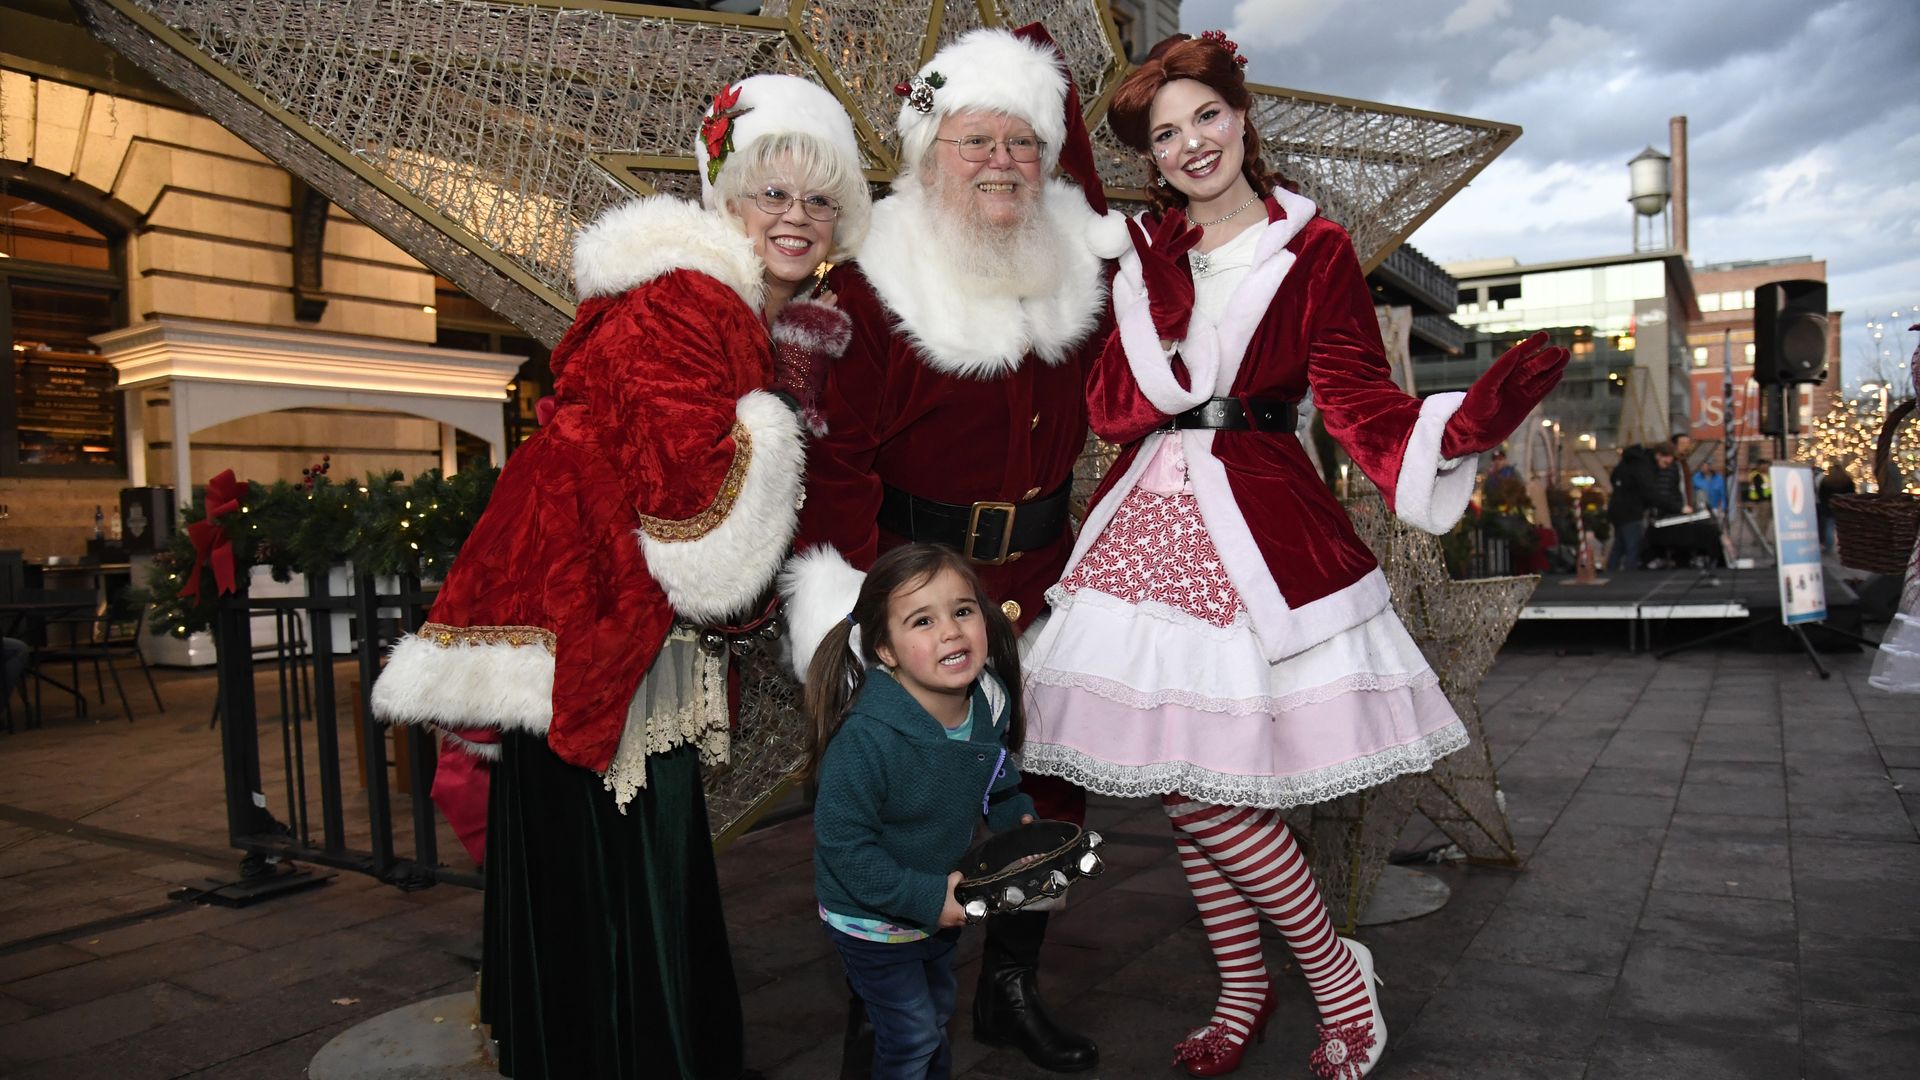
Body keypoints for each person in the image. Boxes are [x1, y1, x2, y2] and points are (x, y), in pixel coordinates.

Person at [1014, 32, 1568, 1079]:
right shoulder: (1138, 257)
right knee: (1195, 776)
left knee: (1212, 785)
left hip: (1261, 523)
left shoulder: (1314, 253)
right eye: (1167, 135)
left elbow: (1361, 402)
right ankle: (1241, 982)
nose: (1190, 145)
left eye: (1205, 117)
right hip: (1147, 522)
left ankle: (1330, 973)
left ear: (1240, 115)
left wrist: (1460, 427)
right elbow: (1103, 383)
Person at [371, 74, 870, 1079]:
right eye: (771, 191)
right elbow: (699, 529)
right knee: (629, 863)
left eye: (819, 198)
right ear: (723, 196)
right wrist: (771, 435)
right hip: (599, 616)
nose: (797, 217)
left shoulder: (713, 301)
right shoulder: (693, 298)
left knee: (604, 861)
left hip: (585, 610)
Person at [782, 24, 1124, 1075]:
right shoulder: (869, 295)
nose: (1003, 162)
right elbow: (830, 468)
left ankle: (1010, 990)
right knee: (912, 799)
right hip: (918, 584)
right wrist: (851, 621)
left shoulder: (1073, 272)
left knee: (1051, 790)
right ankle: (880, 1020)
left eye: (1025, 142)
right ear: (929, 156)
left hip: (1048, 575)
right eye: (976, 140)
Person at [806, 544, 1038, 1080]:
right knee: (910, 1037)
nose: (951, 632)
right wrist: (927, 897)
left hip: (939, 906)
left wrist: (1017, 821)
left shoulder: (989, 700)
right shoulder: (866, 741)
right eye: (922, 620)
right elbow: (844, 849)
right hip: (871, 917)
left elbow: (994, 778)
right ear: (884, 650)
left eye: (962, 611)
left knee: (933, 1016)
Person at [1606, 443, 1682, 571]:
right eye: (1667, 460)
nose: (1668, 464)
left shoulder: (1632, 461)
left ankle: (1610, 574)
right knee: (1633, 548)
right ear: (1658, 455)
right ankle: (1629, 578)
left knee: (1620, 546)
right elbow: (1650, 493)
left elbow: (1614, 478)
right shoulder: (1644, 467)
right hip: (1631, 510)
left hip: (1619, 508)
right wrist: (1677, 508)